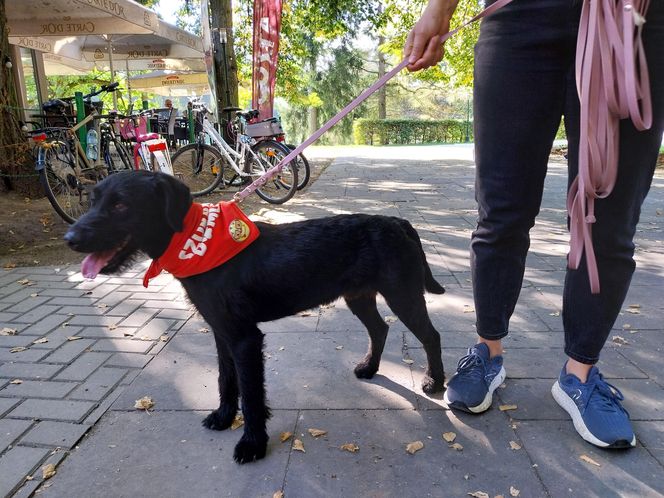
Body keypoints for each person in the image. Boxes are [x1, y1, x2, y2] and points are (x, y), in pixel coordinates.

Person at [404, 0, 663, 449]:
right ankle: (488, 351)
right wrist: (439, 7)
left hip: (634, 24)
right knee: (501, 212)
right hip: (519, 19)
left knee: (610, 224)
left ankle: (579, 374)